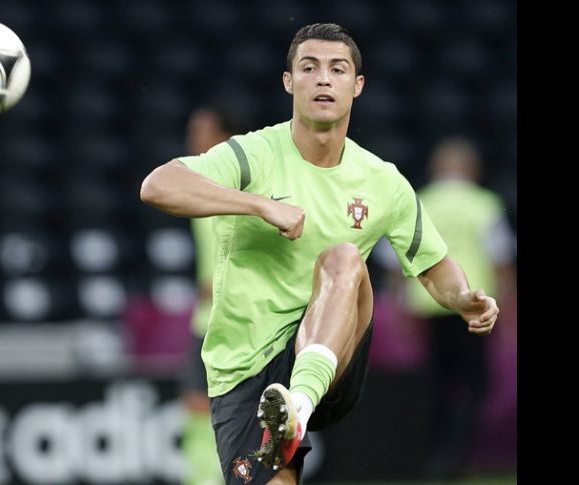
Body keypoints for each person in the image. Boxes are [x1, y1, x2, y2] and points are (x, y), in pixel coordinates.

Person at [140, 23, 499, 485]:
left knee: (345, 258)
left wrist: (463, 296)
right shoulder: (252, 156)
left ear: (358, 85)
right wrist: (260, 204)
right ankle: (285, 421)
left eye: (337, 69)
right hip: (246, 370)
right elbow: (157, 185)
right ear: (289, 81)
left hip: (330, 364)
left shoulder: (382, 181)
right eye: (309, 68)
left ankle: (299, 405)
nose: (323, 79)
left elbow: (433, 265)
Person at [376, 137, 516, 478]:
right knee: (473, 384)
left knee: (435, 383)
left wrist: (398, 302)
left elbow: (394, 259)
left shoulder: (421, 202)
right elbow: (501, 262)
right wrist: (508, 309)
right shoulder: (485, 204)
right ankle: (459, 453)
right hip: (474, 307)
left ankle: (436, 455)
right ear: (472, 169)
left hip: (428, 306)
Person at [180, 106, 246, 485]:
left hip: (230, 316)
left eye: (201, 131)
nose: (194, 139)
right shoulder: (193, 181)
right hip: (204, 316)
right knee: (193, 404)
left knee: (219, 406)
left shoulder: (240, 186)